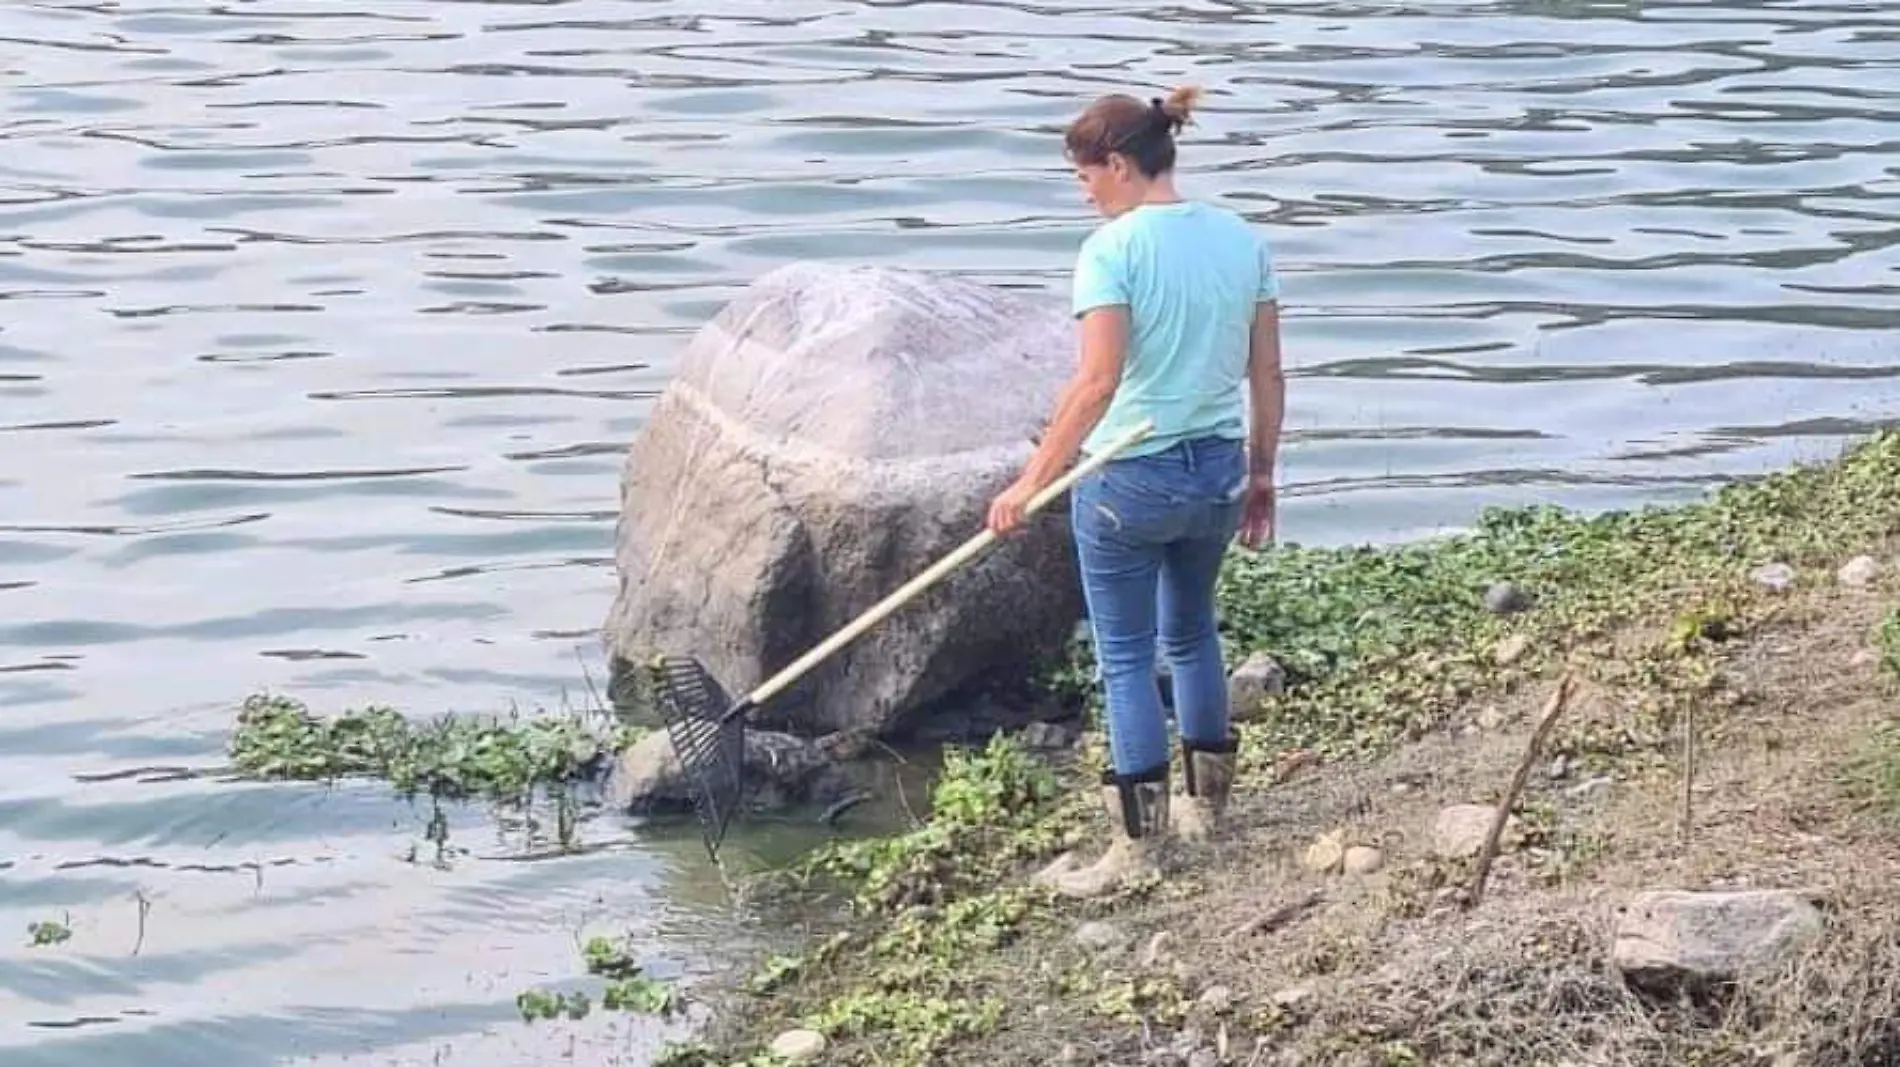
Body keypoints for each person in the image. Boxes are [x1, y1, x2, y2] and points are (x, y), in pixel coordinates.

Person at [985, 84, 1285, 899]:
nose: (1084, 192)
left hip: (1132, 475)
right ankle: (1209, 812)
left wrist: (1030, 480)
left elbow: (1096, 382)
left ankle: (1136, 850)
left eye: (1084, 176)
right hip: (1219, 468)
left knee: (1124, 658)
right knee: (1191, 633)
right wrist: (1260, 475)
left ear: (1117, 164)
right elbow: (1267, 372)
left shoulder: (1111, 251)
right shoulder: (1239, 237)